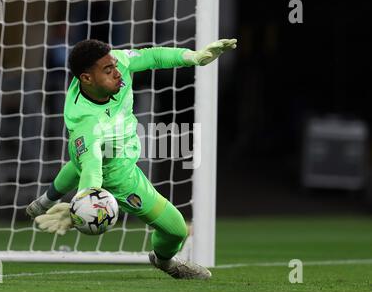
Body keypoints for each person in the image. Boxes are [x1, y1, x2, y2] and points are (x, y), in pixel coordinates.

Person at [27, 38, 237, 279]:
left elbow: (153, 56)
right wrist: (84, 205)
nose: (118, 73)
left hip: (92, 154)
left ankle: (43, 202)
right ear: (86, 78)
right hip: (116, 174)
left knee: (78, 163)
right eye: (108, 71)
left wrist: (194, 57)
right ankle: (166, 262)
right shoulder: (86, 122)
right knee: (177, 230)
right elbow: (93, 169)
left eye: (114, 66)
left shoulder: (116, 62)